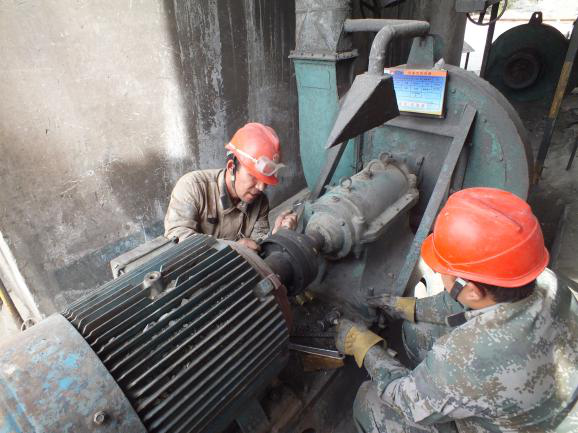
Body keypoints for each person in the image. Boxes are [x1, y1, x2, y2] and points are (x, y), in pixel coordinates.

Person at [335, 187, 577, 433]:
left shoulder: (471, 355)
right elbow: (464, 301)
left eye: (443, 271)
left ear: (472, 290)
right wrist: (408, 307)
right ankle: (438, 390)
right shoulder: (547, 282)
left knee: (369, 401)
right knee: (418, 328)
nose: (438, 271)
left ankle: (438, 395)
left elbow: (406, 401)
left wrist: (365, 348)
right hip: (544, 404)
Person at [164, 122, 297, 251]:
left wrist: (276, 235)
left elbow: (258, 246)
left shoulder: (260, 202)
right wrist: (231, 249)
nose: (261, 187)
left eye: (265, 180)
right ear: (231, 167)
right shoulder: (192, 187)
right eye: (253, 176)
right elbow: (178, 237)